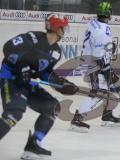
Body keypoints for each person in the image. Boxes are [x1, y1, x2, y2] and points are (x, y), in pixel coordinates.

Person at [0, 13, 79, 160]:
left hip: (27, 83)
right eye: (64, 28)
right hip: (10, 80)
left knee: (52, 106)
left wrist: (61, 84)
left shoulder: (56, 52)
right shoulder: (32, 38)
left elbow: (45, 73)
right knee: (14, 113)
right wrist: (21, 67)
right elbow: (8, 48)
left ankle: (34, 145)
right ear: (57, 28)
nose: (65, 31)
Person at [70, 1, 120, 132]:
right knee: (98, 93)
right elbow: (99, 58)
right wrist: (108, 57)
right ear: (109, 13)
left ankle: (107, 116)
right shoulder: (102, 32)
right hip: (93, 64)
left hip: (95, 60)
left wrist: (109, 50)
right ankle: (77, 120)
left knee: (115, 87)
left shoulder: (93, 22)